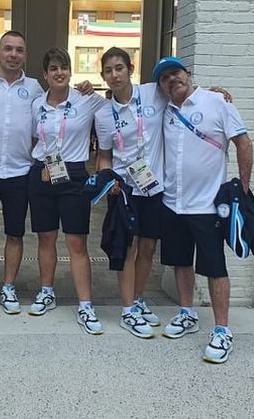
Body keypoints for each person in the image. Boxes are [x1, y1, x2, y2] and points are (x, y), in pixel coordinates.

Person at [154, 56, 253, 364]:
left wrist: (243, 189)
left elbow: (244, 143)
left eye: (176, 73)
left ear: (188, 74)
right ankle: (187, 313)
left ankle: (222, 329)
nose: (172, 79)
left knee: (214, 268)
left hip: (208, 205)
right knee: (180, 263)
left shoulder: (216, 102)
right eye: (165, 77)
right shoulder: (165, 110)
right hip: (173, 203)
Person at [28, 47, 108, 334]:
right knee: (45, 239)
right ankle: (46, 292)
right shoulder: (37, 103)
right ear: (45, 74)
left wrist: (201, 90)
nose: (59, 72)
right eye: (53, 68)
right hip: (43, 173)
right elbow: (32, 136)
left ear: (70, 71)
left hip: (73, 175)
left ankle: (85, 304)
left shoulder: (87, 100)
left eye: (63, 67)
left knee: (76, 243)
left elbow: (125, 97)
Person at [0, 31, 45, 314]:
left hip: (19, 172)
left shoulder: (36, 87)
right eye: (8, 49)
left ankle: (9, 286)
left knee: (15, 234)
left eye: (19, 50)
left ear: (25, 55)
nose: (13, 55)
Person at [94, 47, 167, 339]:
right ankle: (127, 310)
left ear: (130, 68)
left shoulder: (153, 94)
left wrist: (215, 93)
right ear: (103, 75)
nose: (115, 75)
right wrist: (107, 179)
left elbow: (183, 91)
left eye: (119, 68)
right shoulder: (103, 114)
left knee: (148, 248)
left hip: (154, 186)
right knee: (128, 249)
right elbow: (104, 154)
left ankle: (138, 300)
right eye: (109, 70)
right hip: (124, 189)